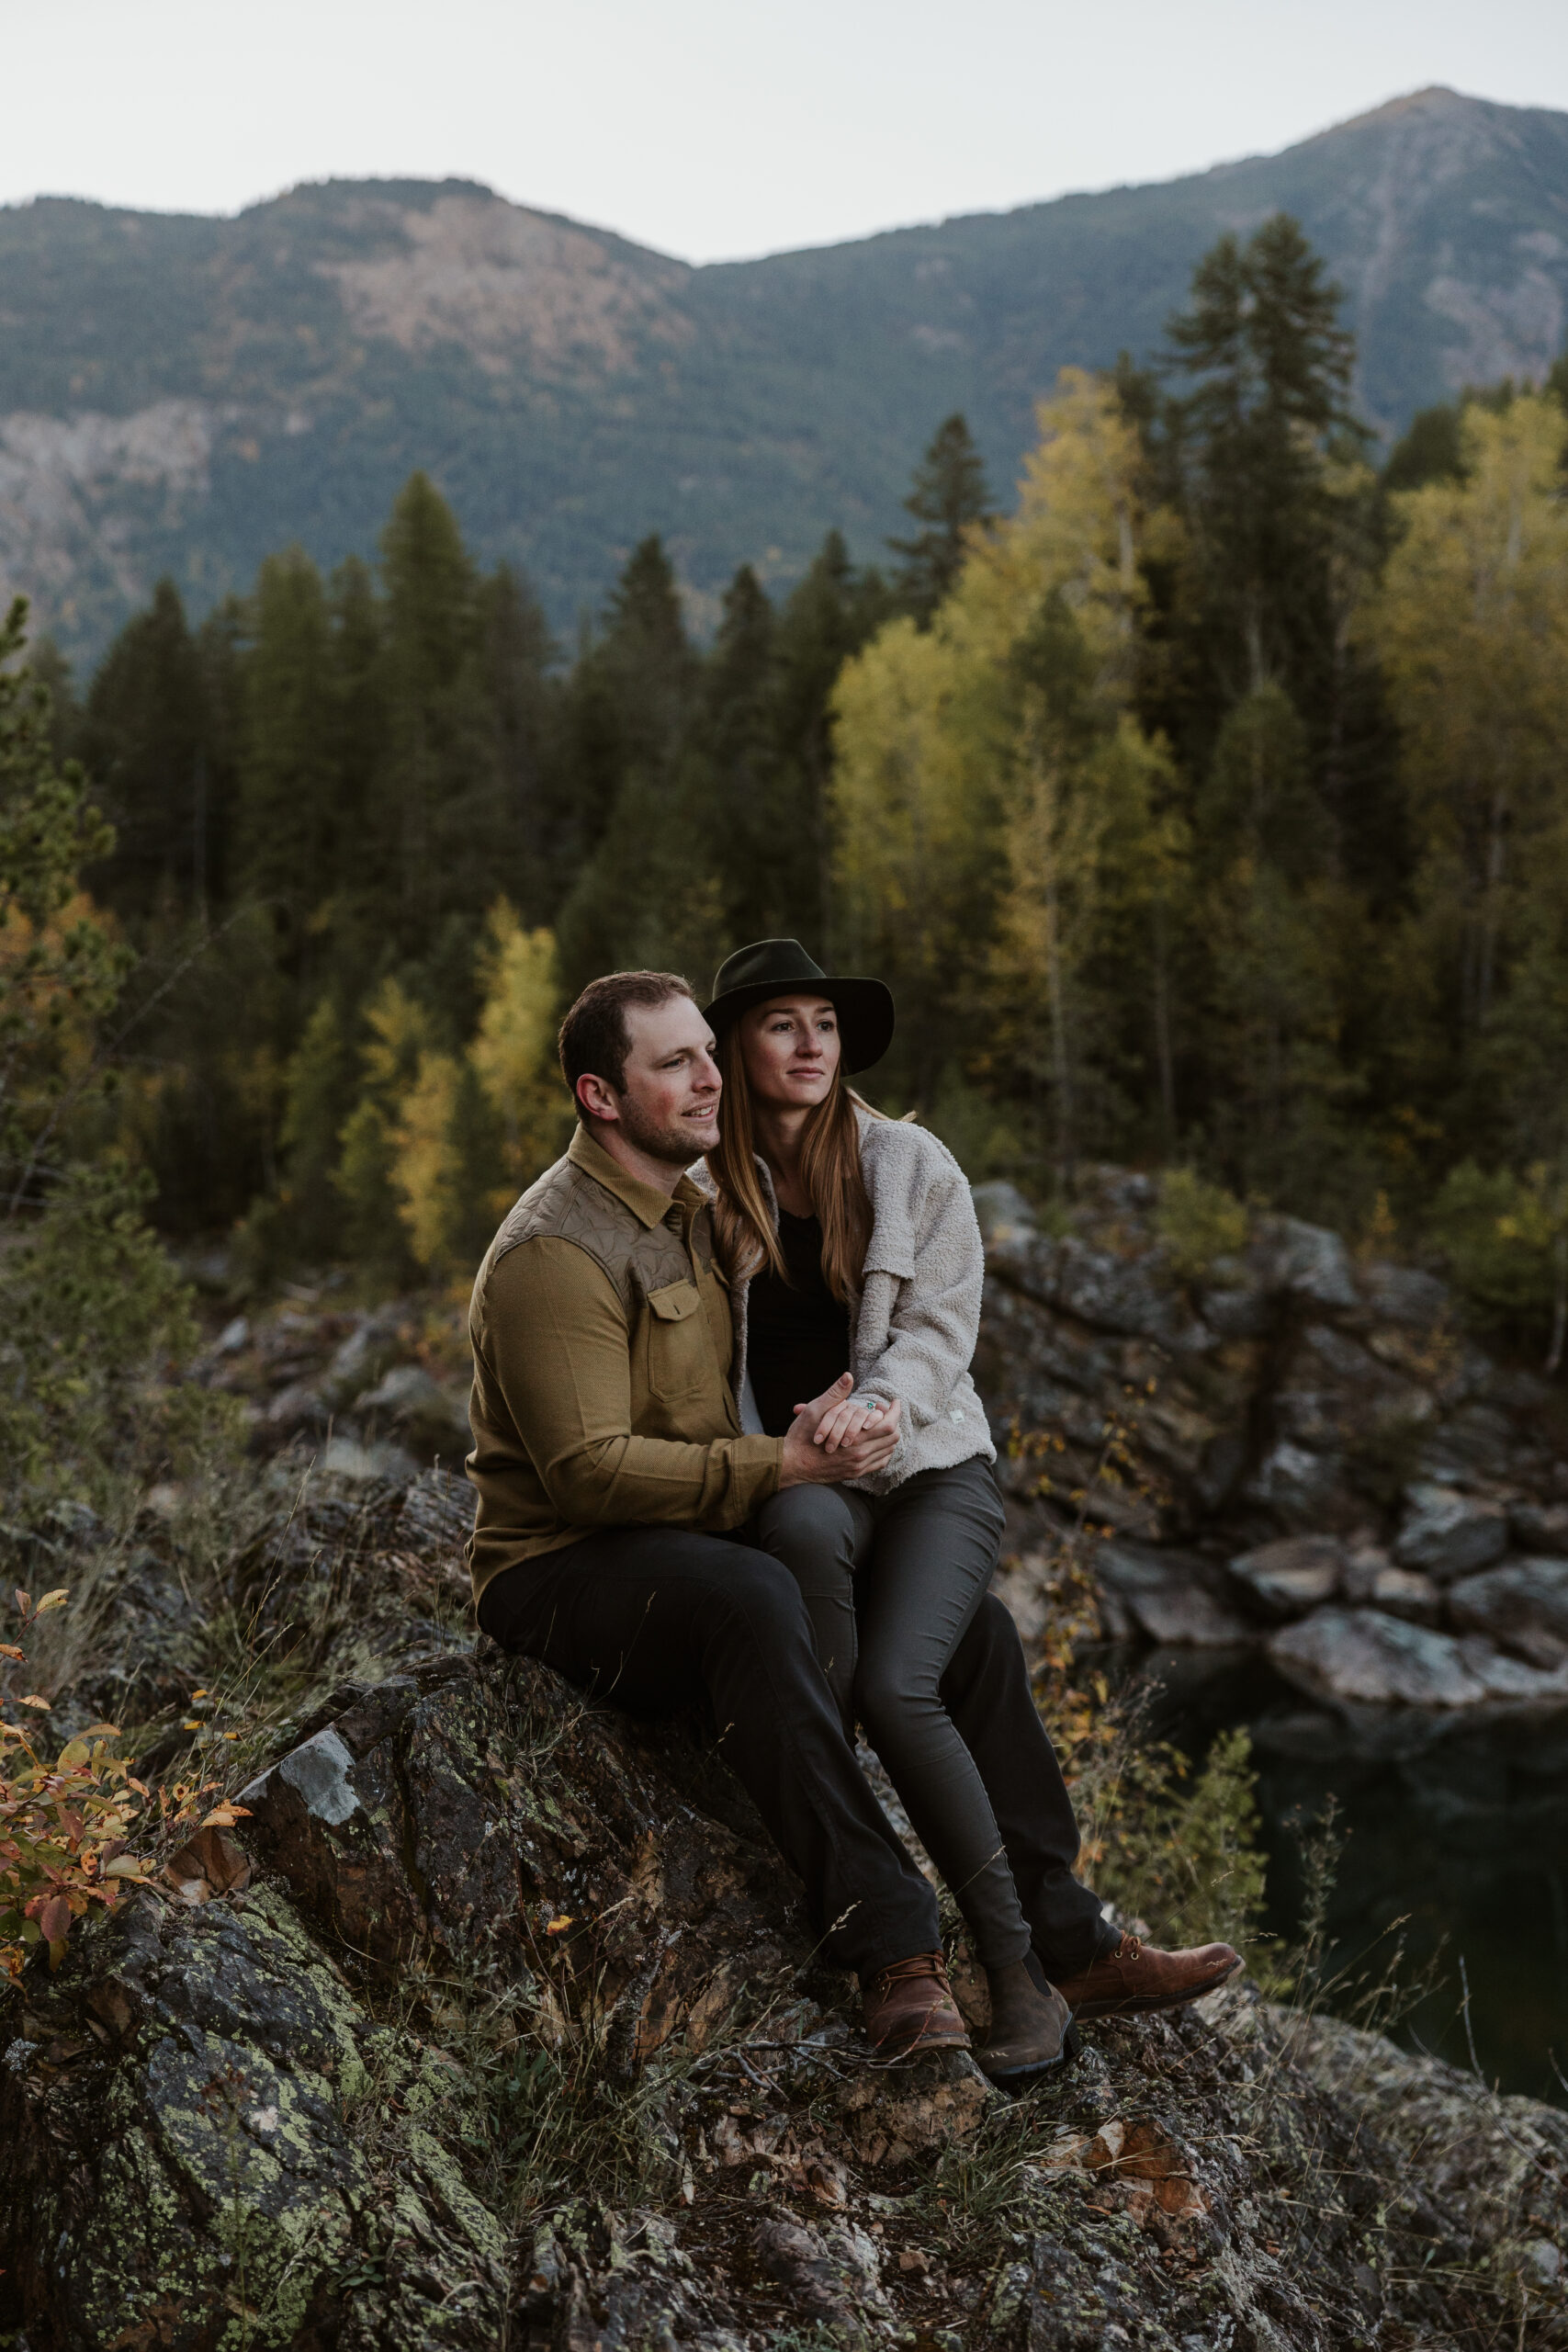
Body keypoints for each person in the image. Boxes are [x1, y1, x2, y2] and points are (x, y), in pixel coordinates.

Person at [465, 965, 1238, 2078]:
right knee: (758, 1597)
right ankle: (896, 1947)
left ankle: (1069, 1941)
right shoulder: (555, 1247)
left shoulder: (696, 1203)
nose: (710, 1077)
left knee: (977, 1636)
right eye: (677, 1062)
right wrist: (781, 1462)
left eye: (707, 1053)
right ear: (600, 1095)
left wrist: (831, 1431)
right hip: (563, 1565)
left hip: (701, 1515)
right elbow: (586, 1479)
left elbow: (840, 1345)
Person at [691, 938, 1242, 2075]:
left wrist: (881, 1409)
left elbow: (942, 1331)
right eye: (781, 1024)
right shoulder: (708, 1194)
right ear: (736, 1048)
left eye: (824, 1025)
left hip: (930, 1467)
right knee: (968, 1642)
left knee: (902, 1683)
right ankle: (1028, 1935)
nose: (808, 1044)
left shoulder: (909, 1165)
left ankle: (1025, 1971)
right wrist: (771, 1458)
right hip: (804, 1484)